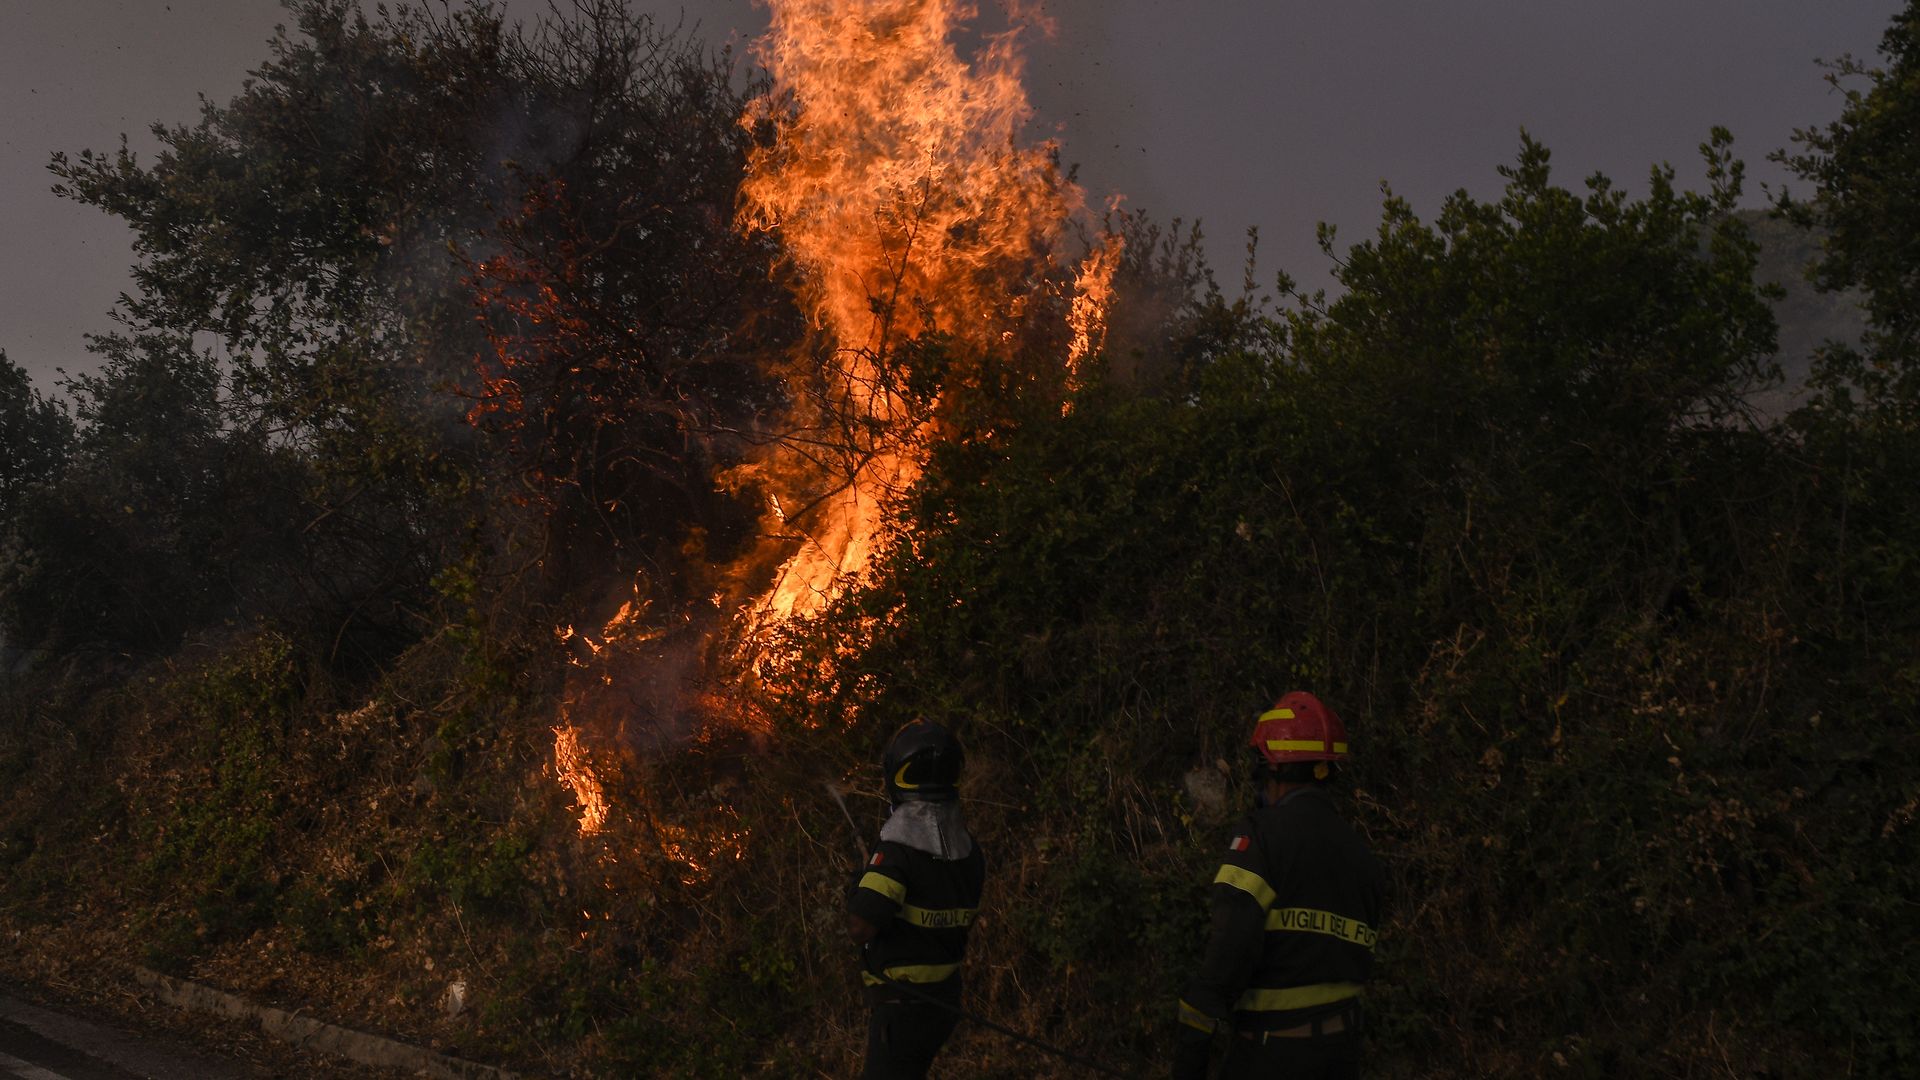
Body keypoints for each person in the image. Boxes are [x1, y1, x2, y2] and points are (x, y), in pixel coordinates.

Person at [1173, 692, 1387, 1080]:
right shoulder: (1363, 857)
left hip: (1272, 1056)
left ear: (1272, 769)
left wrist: (1190, 1058)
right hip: (1342, 1056)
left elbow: (1227, 955)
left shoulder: (1262, 838)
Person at [848, 719, 987, 1080]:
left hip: (904, 1005)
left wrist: (858, 886)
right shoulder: (968, 852)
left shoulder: (897, 851)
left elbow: (862, 924)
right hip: (943, 1002)